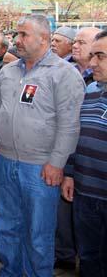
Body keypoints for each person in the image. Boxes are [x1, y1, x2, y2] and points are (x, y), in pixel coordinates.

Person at [0, 15, 85, 276]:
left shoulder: (64, 74)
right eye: (17, 34)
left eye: (24, 35)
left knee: (38, 233)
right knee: (5, 226)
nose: (18, 40)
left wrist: (57, 163)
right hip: (4, 161)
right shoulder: (8, 70)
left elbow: (70, 125)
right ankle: (11, 272)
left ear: (44, 38)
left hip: (39, 167)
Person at [62, 29, 107, 276]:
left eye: (99, 56)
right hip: (85, 194)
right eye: (92, 56)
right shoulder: (90, 92)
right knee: (88, 257)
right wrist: (69, 173)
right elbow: (76, 136)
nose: (92, 63)